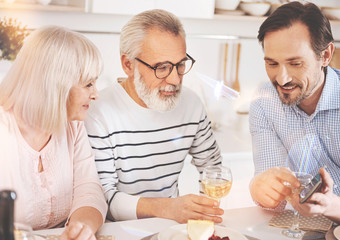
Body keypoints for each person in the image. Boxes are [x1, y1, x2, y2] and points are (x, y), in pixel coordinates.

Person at [84, 9, 223, 224]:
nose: (175, 79)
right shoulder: (98, 112)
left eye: (180, 64)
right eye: (162, 67)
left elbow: (213, 168)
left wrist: (202, 216)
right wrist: (167, 207)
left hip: (171, 228)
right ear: (128, 64)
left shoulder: (192, 105)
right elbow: (103, 200)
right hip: (118, 232)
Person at [249, 1, 340, 223]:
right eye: (272, 63)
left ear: (326, 55)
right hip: (300, 228)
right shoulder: (264, 101)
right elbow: (274, 198)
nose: (282, 79)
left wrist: (329, 205)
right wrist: (259, 189)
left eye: (295, 63)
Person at [0, 26, 108, 239]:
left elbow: (89, 190)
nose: (96, 95)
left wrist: (81, 229)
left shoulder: (73, 126)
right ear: (56, 86)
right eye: (88, 84)